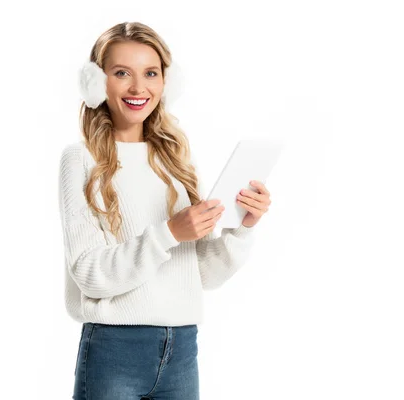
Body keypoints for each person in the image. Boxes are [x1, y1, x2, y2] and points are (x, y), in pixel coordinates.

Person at [58, 21, 272, 400]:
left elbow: (200, 273)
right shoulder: (81, 160)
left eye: (151, 73)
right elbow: (90, 275)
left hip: (182, 350)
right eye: (122, 73)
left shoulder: (175, 161)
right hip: (114, 350)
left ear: (166, 82)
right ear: (96, 82)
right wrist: (169, 232)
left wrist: (242, 229)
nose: (139, 88)